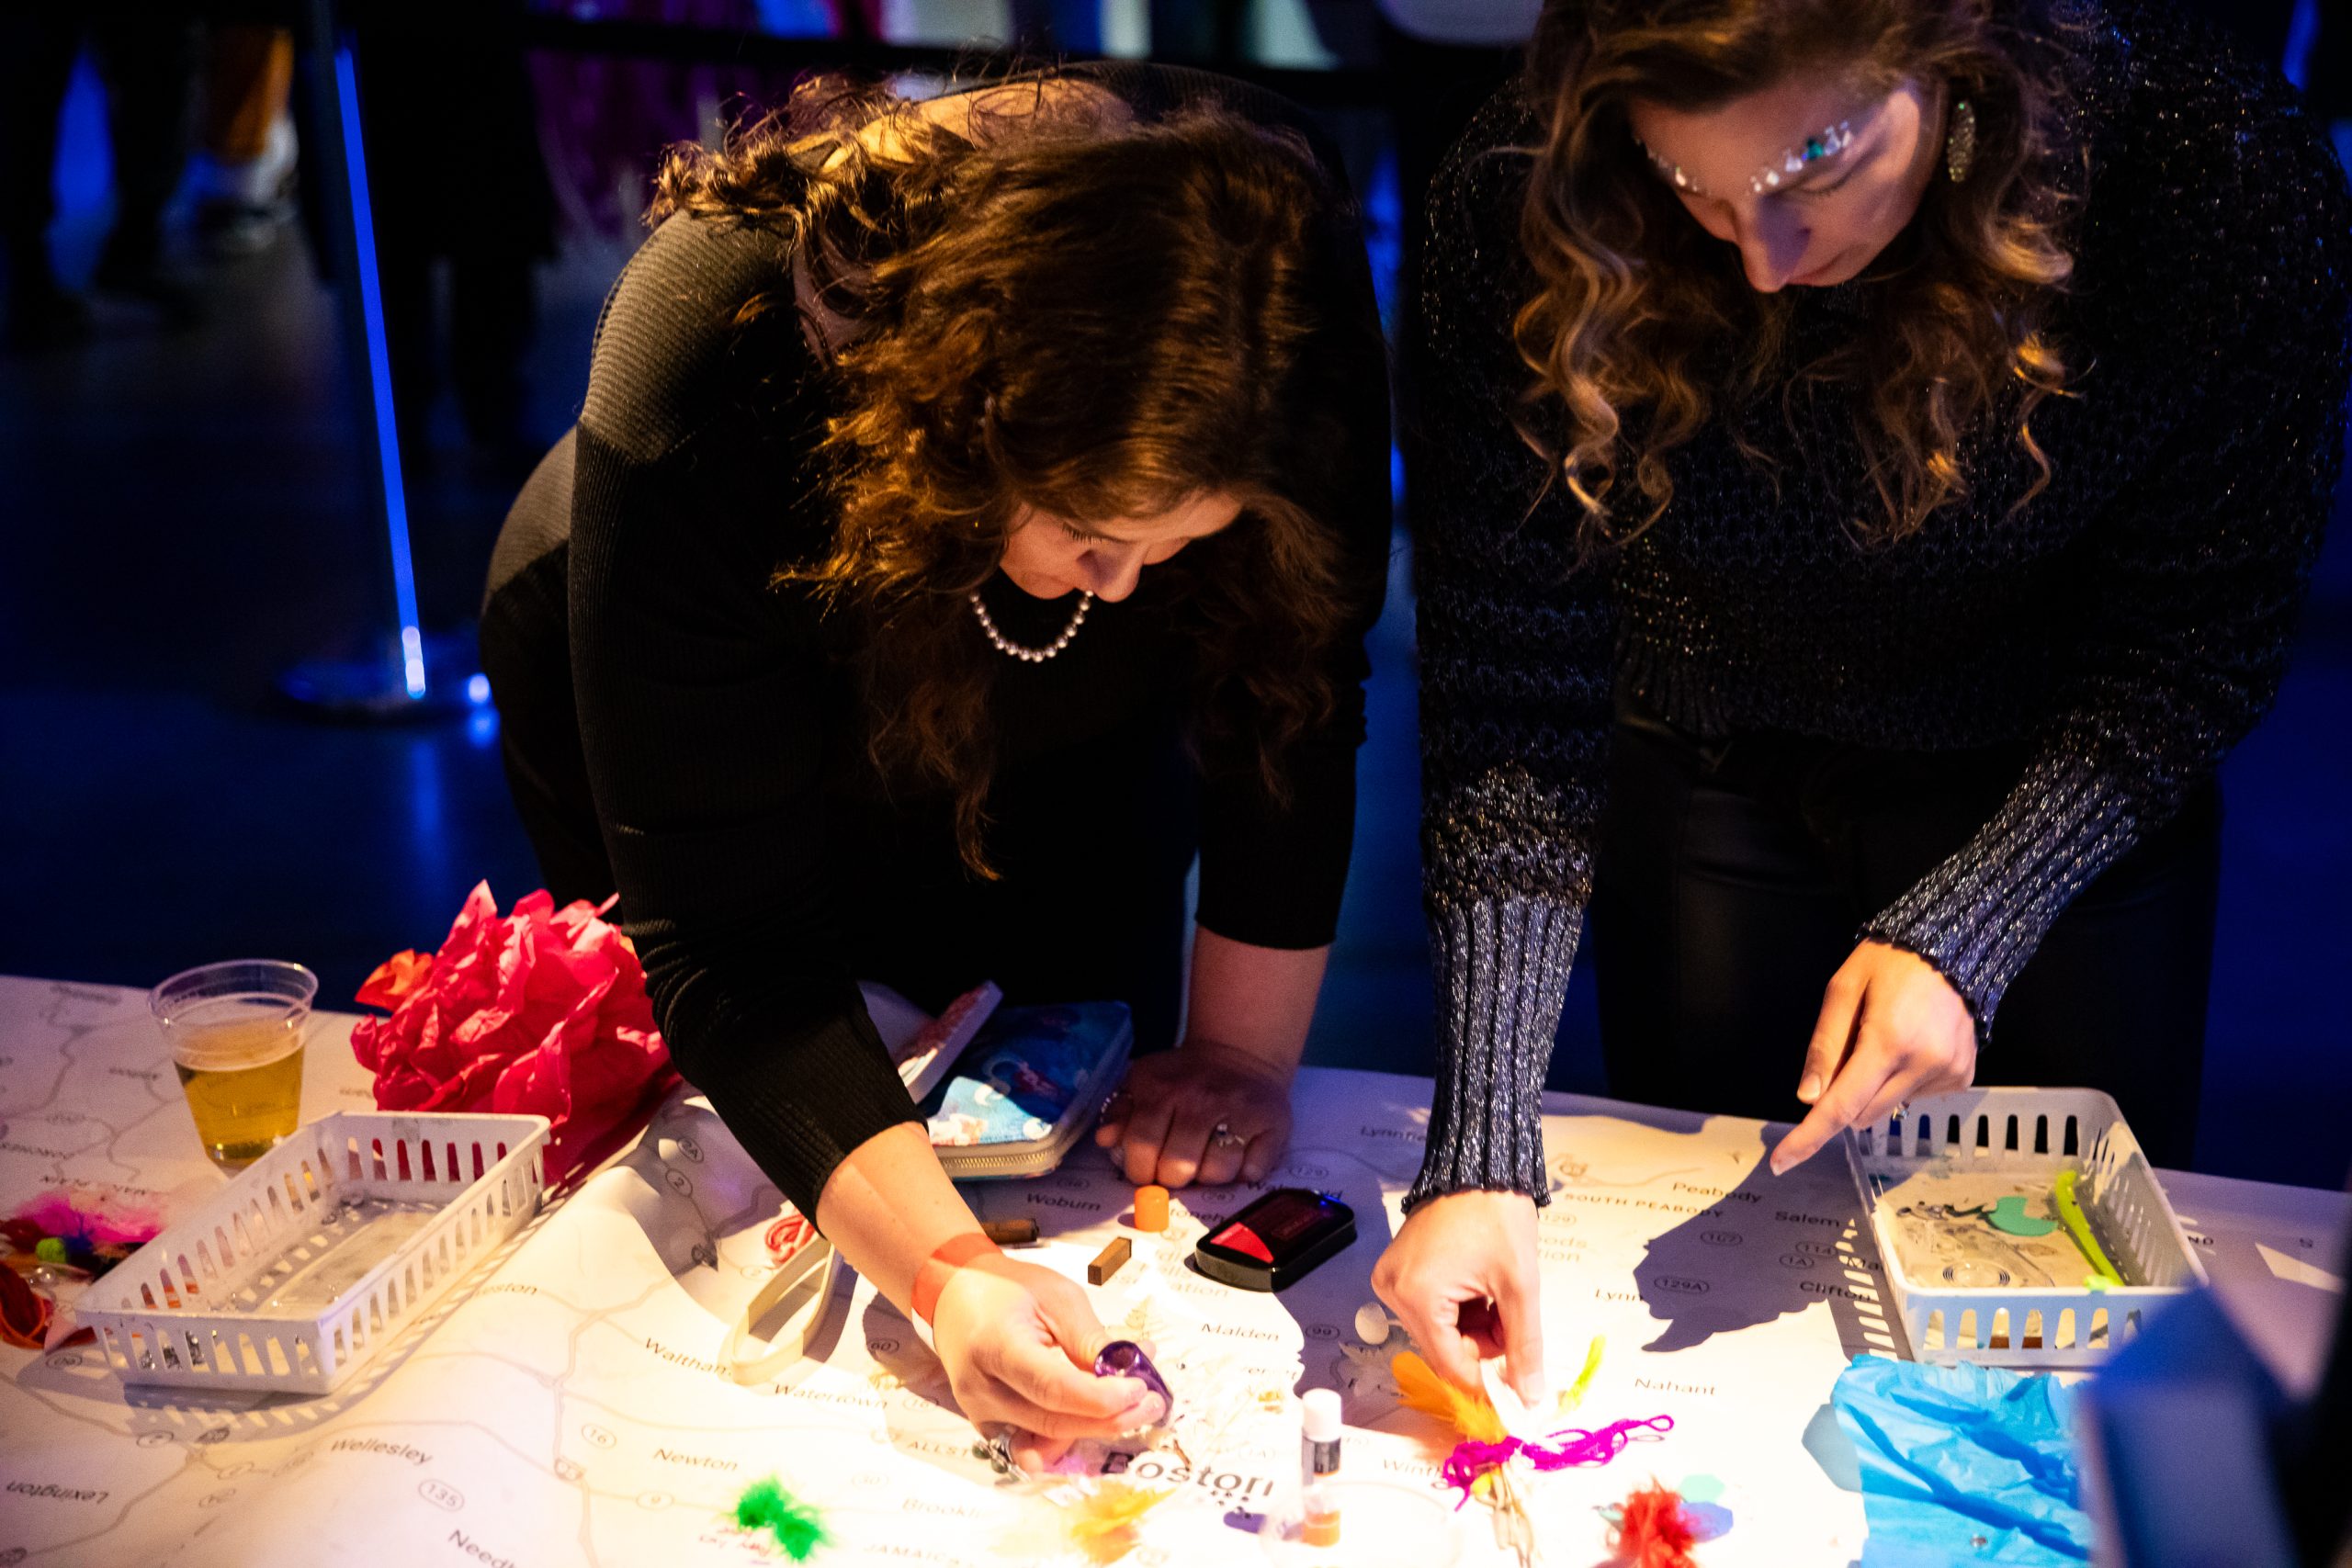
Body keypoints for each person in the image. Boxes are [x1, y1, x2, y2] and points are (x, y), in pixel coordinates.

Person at [1375, 0, 2352, 1400]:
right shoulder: (1524, 194)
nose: (1766, 262)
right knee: (1722, 1309)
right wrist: (1480, 1145)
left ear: (1948, 46)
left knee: (2067, 1353)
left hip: (2062, 773)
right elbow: (1511, 692)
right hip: (1711, 758)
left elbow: (2199, 636)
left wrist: (1977, 918)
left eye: (1815, 164)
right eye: (1692, 186)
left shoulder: (2205, 171)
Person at [481, 64, 1389, 1463]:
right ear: (964, 424)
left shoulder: (1277, 294)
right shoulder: (707, 345)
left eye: (1184, 540)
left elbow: (1294, 691)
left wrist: (1229, 1057)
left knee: (1073, 1106)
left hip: (1055, 747)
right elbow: (735, 946)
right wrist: (949, 1278)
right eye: (1098, 535)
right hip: (721, 692)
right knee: (761, 1208)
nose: (1132, 587)